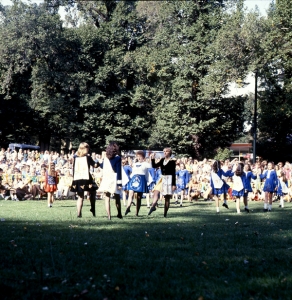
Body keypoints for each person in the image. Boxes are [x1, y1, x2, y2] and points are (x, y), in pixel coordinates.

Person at [71, 142, 98, 217]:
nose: (88, 149)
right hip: (87, 178)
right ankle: (92, 208)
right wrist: (99, 163)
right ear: (84, 149)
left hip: (77, 178)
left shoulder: (75, 158)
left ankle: (79, 213)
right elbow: (94, 165)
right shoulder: (88, 157)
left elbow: (73, 169)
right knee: (93, 192)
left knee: (80, 197)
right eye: (87, 148)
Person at [98, 142, 123, 220]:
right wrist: (119, 183)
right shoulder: (118, 158)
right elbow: (119, 171)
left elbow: (102, 166)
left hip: (106, 178)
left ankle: (109, 215)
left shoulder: (106, 158)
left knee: (107, 197)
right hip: (114, 178)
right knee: (117, 197)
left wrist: (100, 160)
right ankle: (119, 213)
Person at [148, 148, 176, 217]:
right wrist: (152, 159)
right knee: (156, 191)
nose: (165, 152)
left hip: (169, 179)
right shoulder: (162, 159)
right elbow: (154, 166)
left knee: (167, 198)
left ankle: (165, 213)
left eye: (166, 151)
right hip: (162, 178)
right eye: (164, 151)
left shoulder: (172, 161)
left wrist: (173, 184)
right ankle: (153, 206)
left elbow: (173, 173)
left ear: (169, 152)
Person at [124, 151, 151, 216]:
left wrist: (150, 158)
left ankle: (136, 212)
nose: (138, 158)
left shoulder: (145, 164)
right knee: (131, 193)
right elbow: (132, 169)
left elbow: (150, 165)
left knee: (139, 197)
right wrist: (130, 162)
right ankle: (128, 207)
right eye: (137, 156)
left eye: (140, 157)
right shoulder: (135, 164)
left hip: (141, 179)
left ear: (143, 157)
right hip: (134, 179)